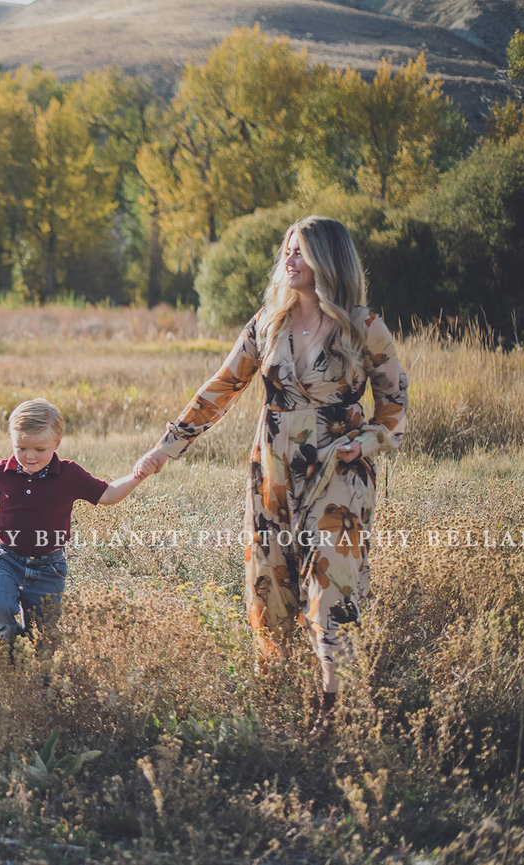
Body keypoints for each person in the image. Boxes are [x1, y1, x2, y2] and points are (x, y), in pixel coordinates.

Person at [133, 216, 408, 732]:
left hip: (339, 474)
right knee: (272, 589)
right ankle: (281, 716)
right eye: (287, 250)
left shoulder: (363, 325)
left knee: (331, 590)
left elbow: (395, 404)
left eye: (301, 251)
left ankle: (337, 718)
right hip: (271, 474)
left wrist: (366, 440)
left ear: (328, 260)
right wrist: (164, 449)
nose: (290, 260)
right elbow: (220, 389)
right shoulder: (268, 323)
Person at [0, 398, 143, 645]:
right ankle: (15, 649)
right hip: (5, 557)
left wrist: (137, 475)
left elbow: (109, 494)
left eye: (39, 449)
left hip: (49, 566)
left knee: (43, 637)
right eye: (21, 448)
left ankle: (37, 666)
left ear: (57, 443)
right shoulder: (2, 471)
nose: (29, 456)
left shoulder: (69, 474)